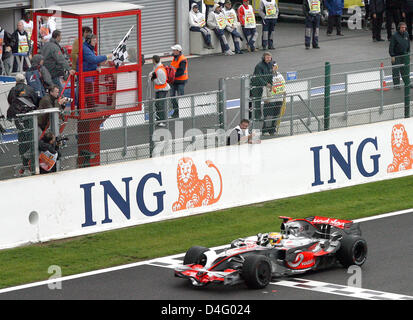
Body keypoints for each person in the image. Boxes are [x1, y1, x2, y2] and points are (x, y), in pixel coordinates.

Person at [6, 73, 39, 175]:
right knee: (31, 137)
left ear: (16, 81)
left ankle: (25, 163)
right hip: (29, 116)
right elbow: (35, 101)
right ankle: (32, 162)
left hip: (17, 116)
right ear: (24, 80)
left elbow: (9, 101)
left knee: (22, 138)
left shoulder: (12, 90)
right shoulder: (29, 88)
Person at [80, 33, 112, 108]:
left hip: (87, 75)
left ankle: (91, 107)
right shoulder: (86, 49)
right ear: (88, 41)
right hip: (85, 75)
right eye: (93, 40)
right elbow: (93, 59)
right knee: (87, 92)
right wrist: (107, 56)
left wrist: (96, 67)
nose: (95, 42)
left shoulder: (88, 48)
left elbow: (91, 61)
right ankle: (89, 108)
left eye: (96, 40)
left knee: (89, 92)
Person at [261, 61, 286, 135]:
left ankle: (272, 129)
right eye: (272, 66)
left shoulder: (280, 75)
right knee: (268, 115)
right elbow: (263, 87)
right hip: (270, 98)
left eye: (275, 66)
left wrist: (284, 92)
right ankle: (265, 130)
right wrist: (265, 98)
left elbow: (283, 84)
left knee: (276, 114)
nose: (274, 68)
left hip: (279, 98)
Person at [250, 52, 273, 128]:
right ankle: (257, 117)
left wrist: (270, 83)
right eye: (267, 58)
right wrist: (266, 84)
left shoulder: (270, 64)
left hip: (265, 85)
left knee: (267, 100)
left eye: (269, 57)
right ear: (263, 58)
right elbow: (258, 77)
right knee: (257, 101)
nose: (268, 59)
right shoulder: (259, 66)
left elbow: (270, 75)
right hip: (256, 85)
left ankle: (266, 115)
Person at [149, 55, 170, 127]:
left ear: (154, 60)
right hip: (159, 89)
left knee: (160, 105)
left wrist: (153, 79)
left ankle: (162, 120)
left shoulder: (160, 70)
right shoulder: (157, 67)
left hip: (162, 90)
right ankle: (159, 120)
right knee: (158, 104)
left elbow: (161, 82)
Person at [389, 22, 410, 89]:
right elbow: (391, 46)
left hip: (404, 55)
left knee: (406, 70)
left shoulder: (406, 34)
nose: (403, 29)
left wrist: (408, 53)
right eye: (402, 27)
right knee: (396, 70)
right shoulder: (394, 36)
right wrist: (392, 55)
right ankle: (396, 85)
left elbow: (408, 44)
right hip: (397, 56)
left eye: (404, 27)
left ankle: (407, 83)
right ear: (399, 28)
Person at [170, 44, 188, 118]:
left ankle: (182, 112)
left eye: (174, 50)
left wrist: (171, 76)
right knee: (172, 96)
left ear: (178, 51)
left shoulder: (182, 60)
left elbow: (181, 72)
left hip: (181, 81)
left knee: (180, 97)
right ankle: (176, 111)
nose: (173, 51)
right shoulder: (175, 58)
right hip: (174, 81)